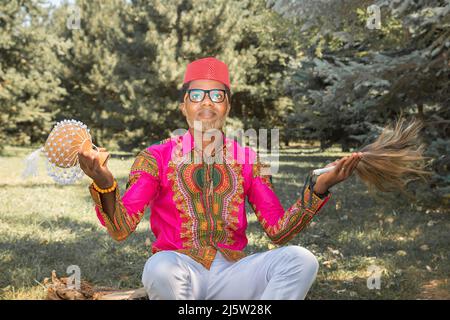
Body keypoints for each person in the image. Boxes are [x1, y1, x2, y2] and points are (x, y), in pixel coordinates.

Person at [78, 57, 362, 300]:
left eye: (217, 95)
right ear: (183, 106)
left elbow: (278, 231)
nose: (207, 103)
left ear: (227, 106)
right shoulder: (155, 156)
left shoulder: (250, 160)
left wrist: (319, 187)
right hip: (178, 271)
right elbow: (120, 228)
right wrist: (104, 182)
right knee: (157, 268)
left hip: (234, 273)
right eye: (197, 95)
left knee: (301, 260)